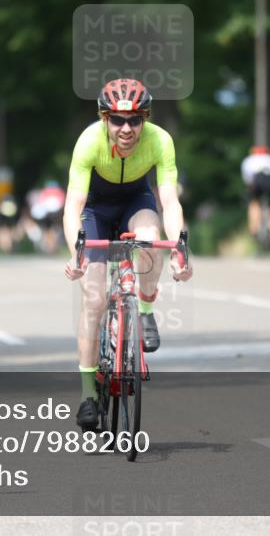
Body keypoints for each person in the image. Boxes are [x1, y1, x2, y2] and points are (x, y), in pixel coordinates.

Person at [63, 78, 193, 430]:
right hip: (95, 210)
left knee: (150, 241)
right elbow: (73, 203)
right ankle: (89, 394)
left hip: (137, 202)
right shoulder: (89, 142)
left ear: (145, 120)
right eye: (118, 120)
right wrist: (76, 248)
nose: (126, 128)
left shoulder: (160, 140)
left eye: (135, 120)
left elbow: (169, 199)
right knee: (94, 299)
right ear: (104, 118)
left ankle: (146, 309)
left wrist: (180, 246)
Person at [241, 145, 270, 240]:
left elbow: (248, 181)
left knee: (254, 203)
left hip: (258, 178)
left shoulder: (248, 160)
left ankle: (254, 229)